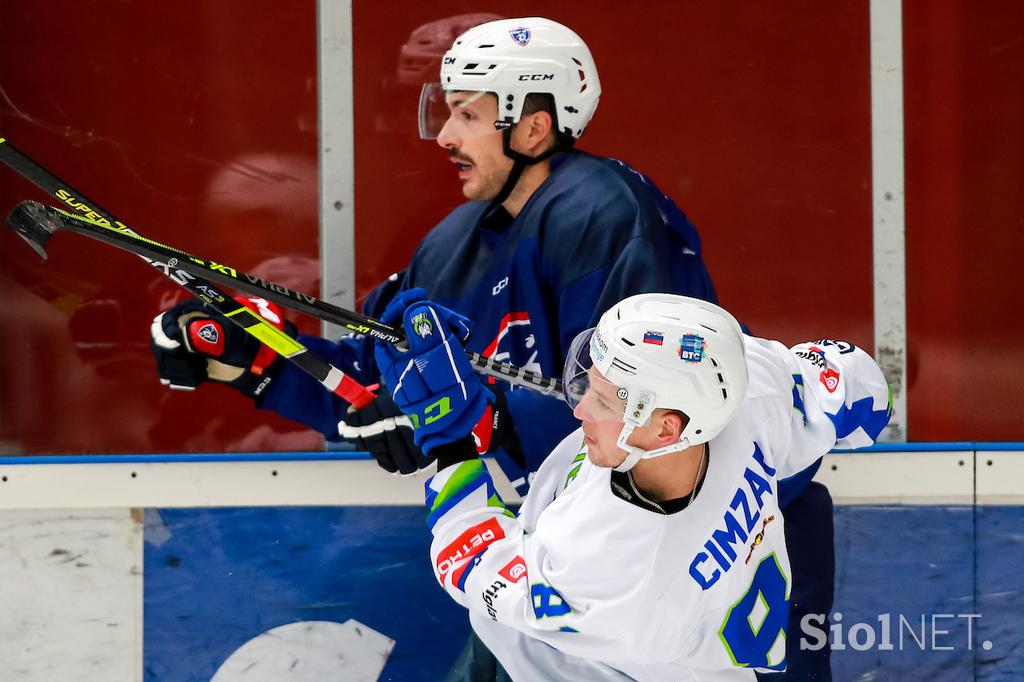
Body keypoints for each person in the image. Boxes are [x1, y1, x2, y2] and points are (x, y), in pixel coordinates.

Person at [148, 15, 833, 678]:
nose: (442, 135)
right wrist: (256, 358)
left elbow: (621, 407)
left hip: (664, 573)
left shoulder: (601, 212)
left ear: (534, 126)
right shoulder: (455, 241)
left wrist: (467, 420)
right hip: (552, 566)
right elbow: (384, 379)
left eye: (467, 115)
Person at [372, 292, 891, 681]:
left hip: (578, 662)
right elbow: (857, 387)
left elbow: (470, 560)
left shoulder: (611, 565)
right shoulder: (747, 392)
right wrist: (498, 421)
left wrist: (450, 439)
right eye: (590, 385)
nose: (579, 410)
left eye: (602, 399)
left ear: (666, 428)